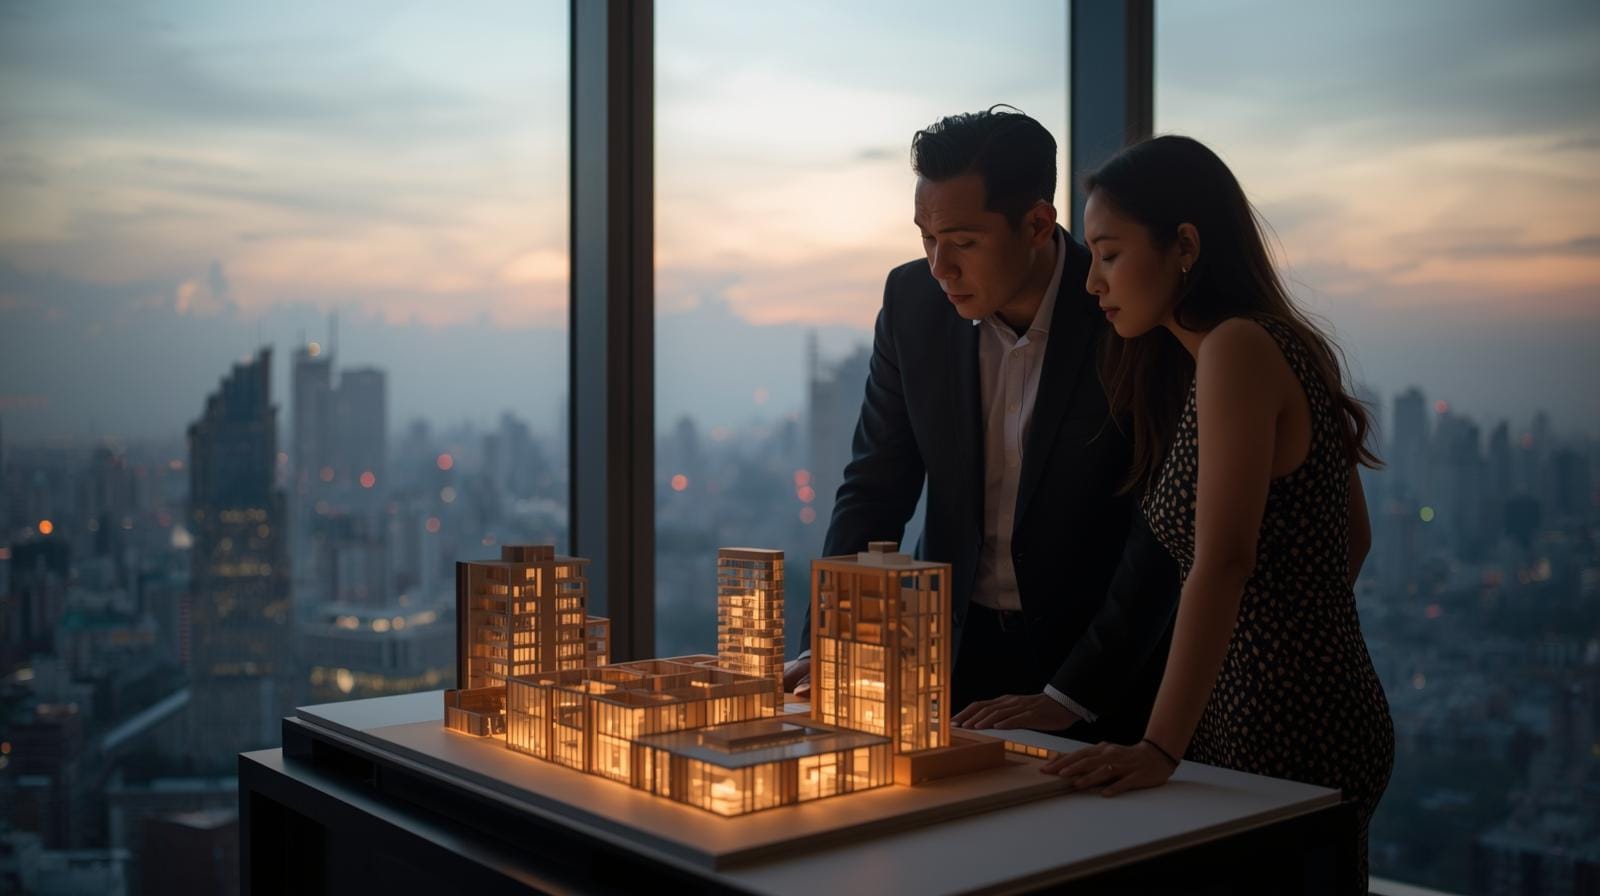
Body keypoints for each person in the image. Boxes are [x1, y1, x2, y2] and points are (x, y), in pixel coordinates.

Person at [1042, 135, 1395, 890]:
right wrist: (1294, 633)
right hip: (1316, 701)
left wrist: (1159, 747)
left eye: (1108, 254)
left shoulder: (1236, 349)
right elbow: (1351, 540)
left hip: (1279, 727)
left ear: (1185, 247)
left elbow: (1224, 561)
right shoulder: (1278, 346)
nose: (1091, 282)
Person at [784, 107, 1181, 746]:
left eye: (964, 242)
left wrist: (1074, 693)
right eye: (926, 239)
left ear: (1035, 224)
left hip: (1100, 674)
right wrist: (831, 641)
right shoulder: (913, 302)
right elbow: (876, 486)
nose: (941, 266)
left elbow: (1158, 529)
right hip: (950, 656)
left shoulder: (1122, 312)